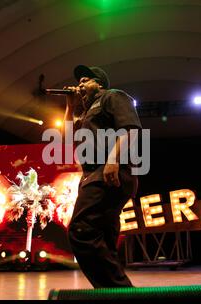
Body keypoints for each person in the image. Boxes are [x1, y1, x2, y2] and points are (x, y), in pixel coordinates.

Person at [63, 65, 142, 288]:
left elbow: (131, 129)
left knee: (82, 230)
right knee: (103, 240)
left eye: (85, 80)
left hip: (109, 171)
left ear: (99, 83)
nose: (80, 84)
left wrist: (113, 160)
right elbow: (68, 137)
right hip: (94, 175)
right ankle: (111, 294)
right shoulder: (86, 114)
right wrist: (70, 106)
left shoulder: (112, 96)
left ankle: (121, 292)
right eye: (79, 81)